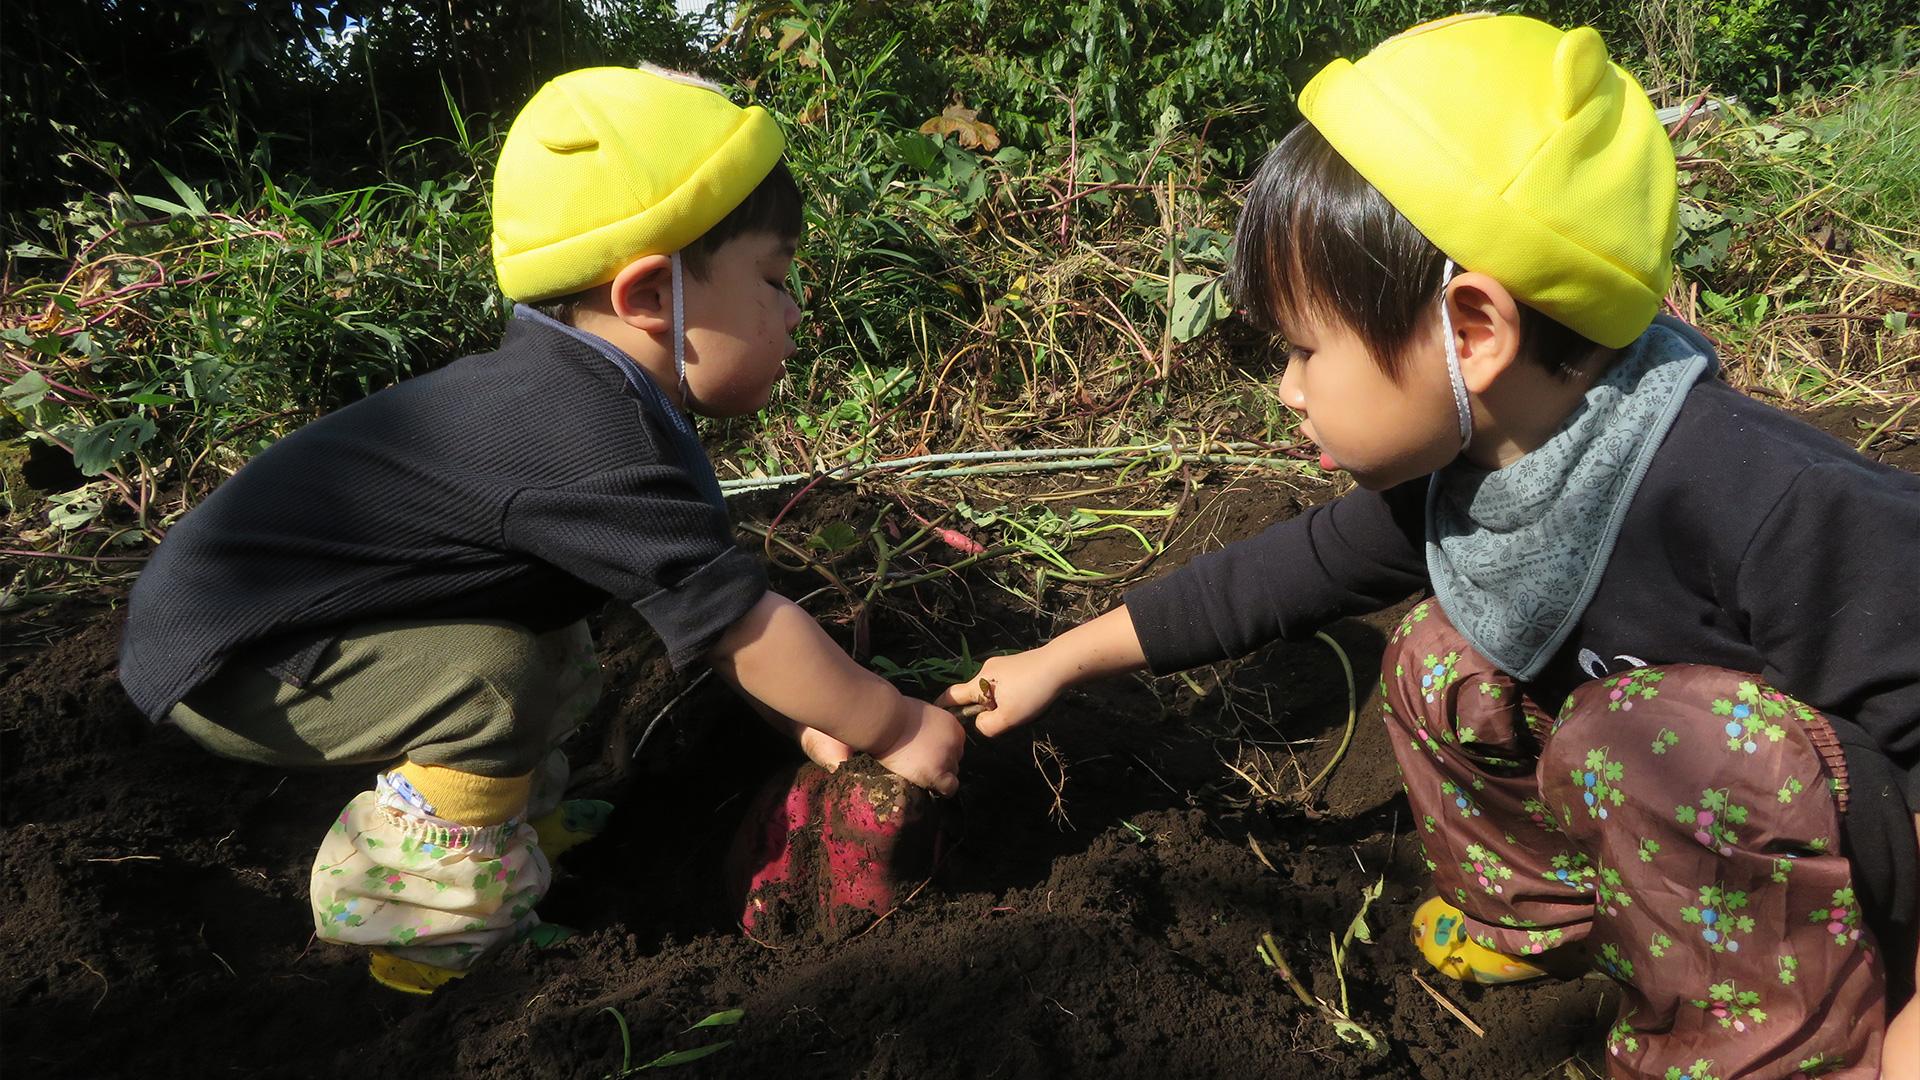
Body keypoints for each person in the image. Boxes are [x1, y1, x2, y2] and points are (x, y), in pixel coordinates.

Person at [939, 15, 1919, 1078]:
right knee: (1440, 656)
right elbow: (1285, 575)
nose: (1288, 389)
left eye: (1306, 349)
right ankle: (1555, 920)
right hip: (1682, 822)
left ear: (1473, 331)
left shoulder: (1765, 499)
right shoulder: (1478, 469)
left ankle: (1778, 1046)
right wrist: (1058, 659)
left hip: (1847, 870)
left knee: (1645, 734)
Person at [118, 66, 964, 995]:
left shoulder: (590, 396)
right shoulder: (583, 435)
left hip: (280, 618)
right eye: (774, 279)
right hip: (238, 659)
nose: (796, 312)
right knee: (492, 679)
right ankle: (433, 938)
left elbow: (717, 616)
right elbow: (743, 628)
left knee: (558, 639)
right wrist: (892, 723)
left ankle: (511, 819)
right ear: (649, 297)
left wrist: (818, 724)